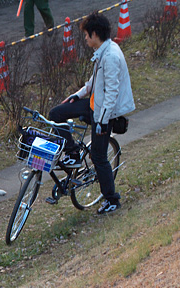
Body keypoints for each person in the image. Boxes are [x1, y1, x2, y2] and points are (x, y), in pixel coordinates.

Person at [48, 12, 134, 214]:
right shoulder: (104, 51)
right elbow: (94, 82)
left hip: (105, 112)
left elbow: (112, 92)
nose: (85, 39)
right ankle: (73, 153)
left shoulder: (111, 56)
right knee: (56, 114)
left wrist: (103, 122)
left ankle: (112, 199)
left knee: (98, 156)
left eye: (86, 35)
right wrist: (76, 96)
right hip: (95, 104)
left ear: (95, 34)